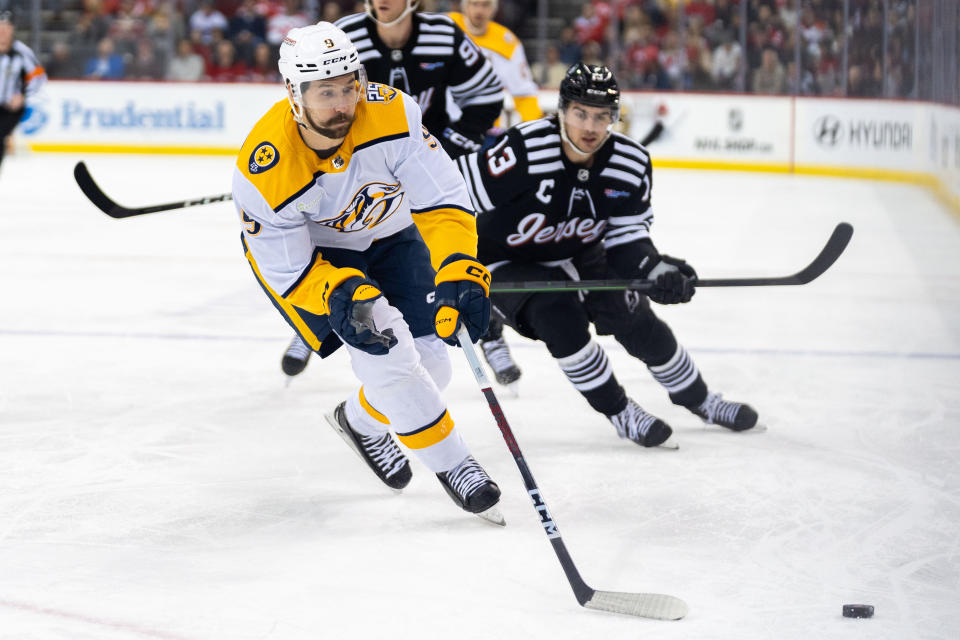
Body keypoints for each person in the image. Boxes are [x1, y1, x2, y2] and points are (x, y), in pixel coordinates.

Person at [232, 23, 503, 521]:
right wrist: (339, 292)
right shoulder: (264, 169)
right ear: (294, 94)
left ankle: (358, 421)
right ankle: (457, 465)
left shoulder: (393, 113)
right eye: (326, 93)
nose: (342, 103)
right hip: (321, 262)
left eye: (349, 86)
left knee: (434, 365)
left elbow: (442, 198)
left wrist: (460, 265)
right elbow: (287, 269)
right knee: (388, 353)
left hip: (393, 234)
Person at [454, 63, 760, 447]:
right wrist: (445, 262)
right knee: (557, 316)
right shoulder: (523, 149)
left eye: (601, 117)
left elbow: (627, 238)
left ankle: (701, 401)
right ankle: (619, 412)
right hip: (500, 259)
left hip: (580, 251)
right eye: (580, 113)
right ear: (561, 110)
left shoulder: (630, 163)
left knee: (634, 316)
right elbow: (449, 198)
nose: (590, 127)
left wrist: (656, 267)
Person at [280, 0, 505, 376]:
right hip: (359, 167)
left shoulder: (444, 35)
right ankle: (314, 322)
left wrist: (443, 149)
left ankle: (491, 336)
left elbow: (485, 95)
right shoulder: (341, 37)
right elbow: (310, 104)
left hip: (420, 159)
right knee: (337, 238)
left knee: (450, 252)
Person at [447, 0, 542, 388]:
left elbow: (524, 96)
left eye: (487, 3)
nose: (480, 9)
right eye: (474, 2)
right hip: (427, 145)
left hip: (479, 149)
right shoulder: (440, 30)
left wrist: (540, 149)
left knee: (472, 242)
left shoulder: (506, 42)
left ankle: (492, 337)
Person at [0, 10, 46, 174]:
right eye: (0, 26)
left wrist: (23, 95)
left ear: (12, 29)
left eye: (7, 27)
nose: (3, 31)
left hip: (10, 109)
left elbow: (39, 77)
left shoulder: (21, 51)